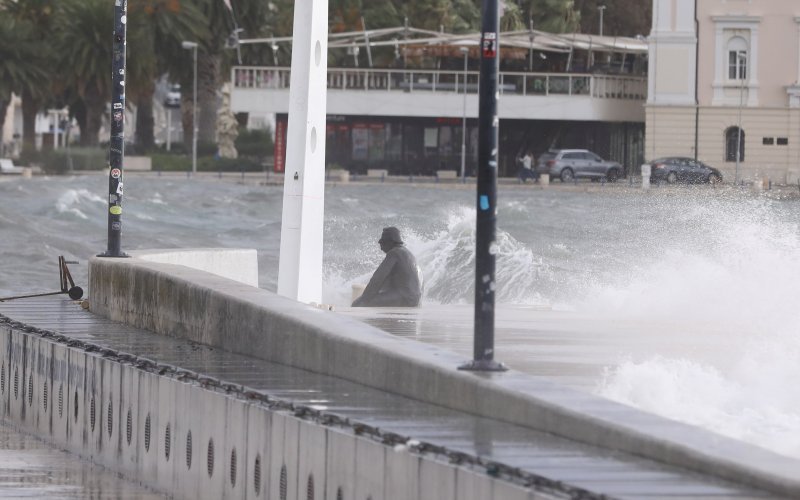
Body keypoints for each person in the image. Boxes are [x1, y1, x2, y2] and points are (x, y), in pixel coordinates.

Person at [352, 227, 422, 307]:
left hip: (404, 298)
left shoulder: (394, 253)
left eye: (383, 242)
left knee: (357, 304)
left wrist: (364, 299)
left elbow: (378, 277)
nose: (380, 244)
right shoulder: (407, 253)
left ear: (391, 241)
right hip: (415, 299)